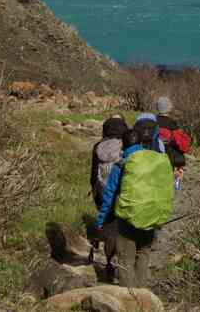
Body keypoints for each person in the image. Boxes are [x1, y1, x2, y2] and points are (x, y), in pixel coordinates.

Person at [95, 120, 174, 288]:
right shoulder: (155, 160)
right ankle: (142, 293)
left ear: (123, 145)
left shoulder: (121, 165)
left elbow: (109, 195)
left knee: (125, 259)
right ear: (140, 143)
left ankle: (130, 298)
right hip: (152, 215)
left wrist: (101, 221)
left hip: (128, 219)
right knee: (143, 254)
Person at [89, 115, 128, 279]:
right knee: (123, 230)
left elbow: (93, 174)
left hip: (102, 192)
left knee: (109, 228)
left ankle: (109, 264)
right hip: (121, 193)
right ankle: (121, 265)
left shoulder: (98, 146)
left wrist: (95, 192)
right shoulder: (126, 146)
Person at [155, 96, 192, 190]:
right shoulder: (172, 123)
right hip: (169, 155)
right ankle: (173, 185)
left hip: (155, 153)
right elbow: (178, 140)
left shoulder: (153, 121)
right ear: (168, 108)